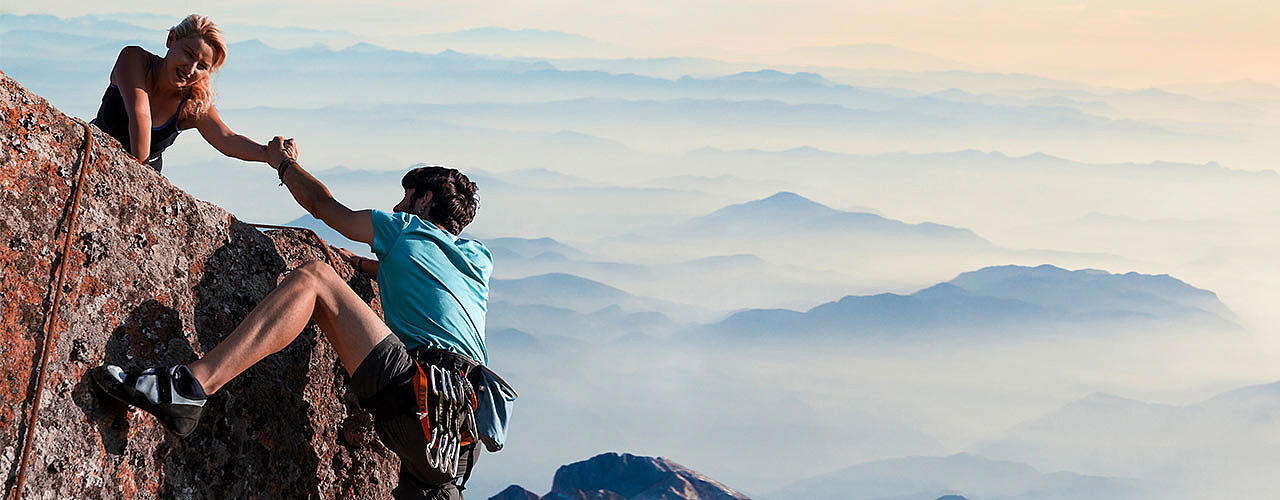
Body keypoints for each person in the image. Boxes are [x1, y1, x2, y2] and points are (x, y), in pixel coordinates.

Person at [93, 137, 494, 499]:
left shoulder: (404, 228)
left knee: (315, 278)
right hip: (461, 438)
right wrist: (357, 264)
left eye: (405, 198)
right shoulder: (478, 260)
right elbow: (427, 280)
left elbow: (323, 208)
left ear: (423, 200)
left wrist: (283, 164)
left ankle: (189, 388)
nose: (397, 206)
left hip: (420, 399)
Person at [91, 14, 272, 172]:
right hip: (95, 153)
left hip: (146, 175)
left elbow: (226, 139)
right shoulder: (134, 59)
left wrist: (270, 155)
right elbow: (140, 114)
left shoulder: (193, 102)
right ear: (171, 39)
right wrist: (139, 174)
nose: (191, 68)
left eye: (202, 66)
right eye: (188, 54)